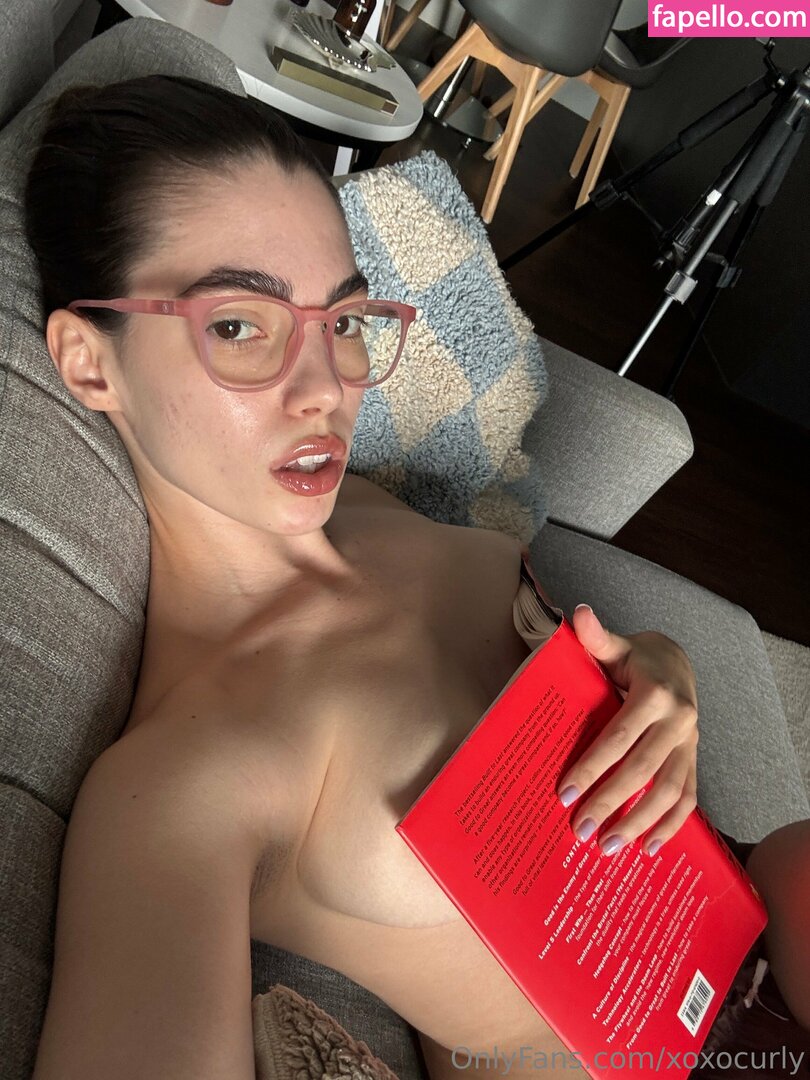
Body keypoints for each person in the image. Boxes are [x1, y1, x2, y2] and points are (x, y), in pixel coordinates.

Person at [23, 74, 809, 1080]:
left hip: (742, 898)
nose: (325, 391)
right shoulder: (182, 787)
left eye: (343, 321)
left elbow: (569, 674)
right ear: (89, 364)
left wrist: (660, 673)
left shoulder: (362, 505)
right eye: (238, 326)